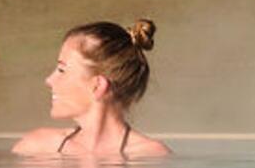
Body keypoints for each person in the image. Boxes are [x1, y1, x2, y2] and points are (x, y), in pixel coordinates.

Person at [12, 20, 171, 158]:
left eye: (61, 70)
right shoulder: (36, 148)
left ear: (98, 86)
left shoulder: (149, 157)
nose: (49, 80)